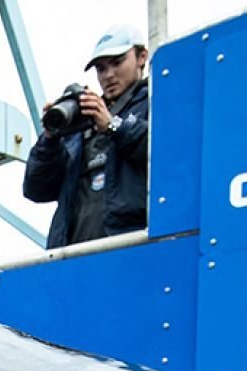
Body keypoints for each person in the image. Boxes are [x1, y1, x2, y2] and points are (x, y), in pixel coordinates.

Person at [23, 24, 151, 248]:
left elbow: (168, 156)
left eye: (117, 62)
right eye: (101, 68)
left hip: (130, 248)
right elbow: (36, 189)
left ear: (142, 57)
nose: (108, 75)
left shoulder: (157, 99)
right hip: (74, 256)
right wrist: (50, 138)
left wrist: (113, 127)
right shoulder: (81, 122)